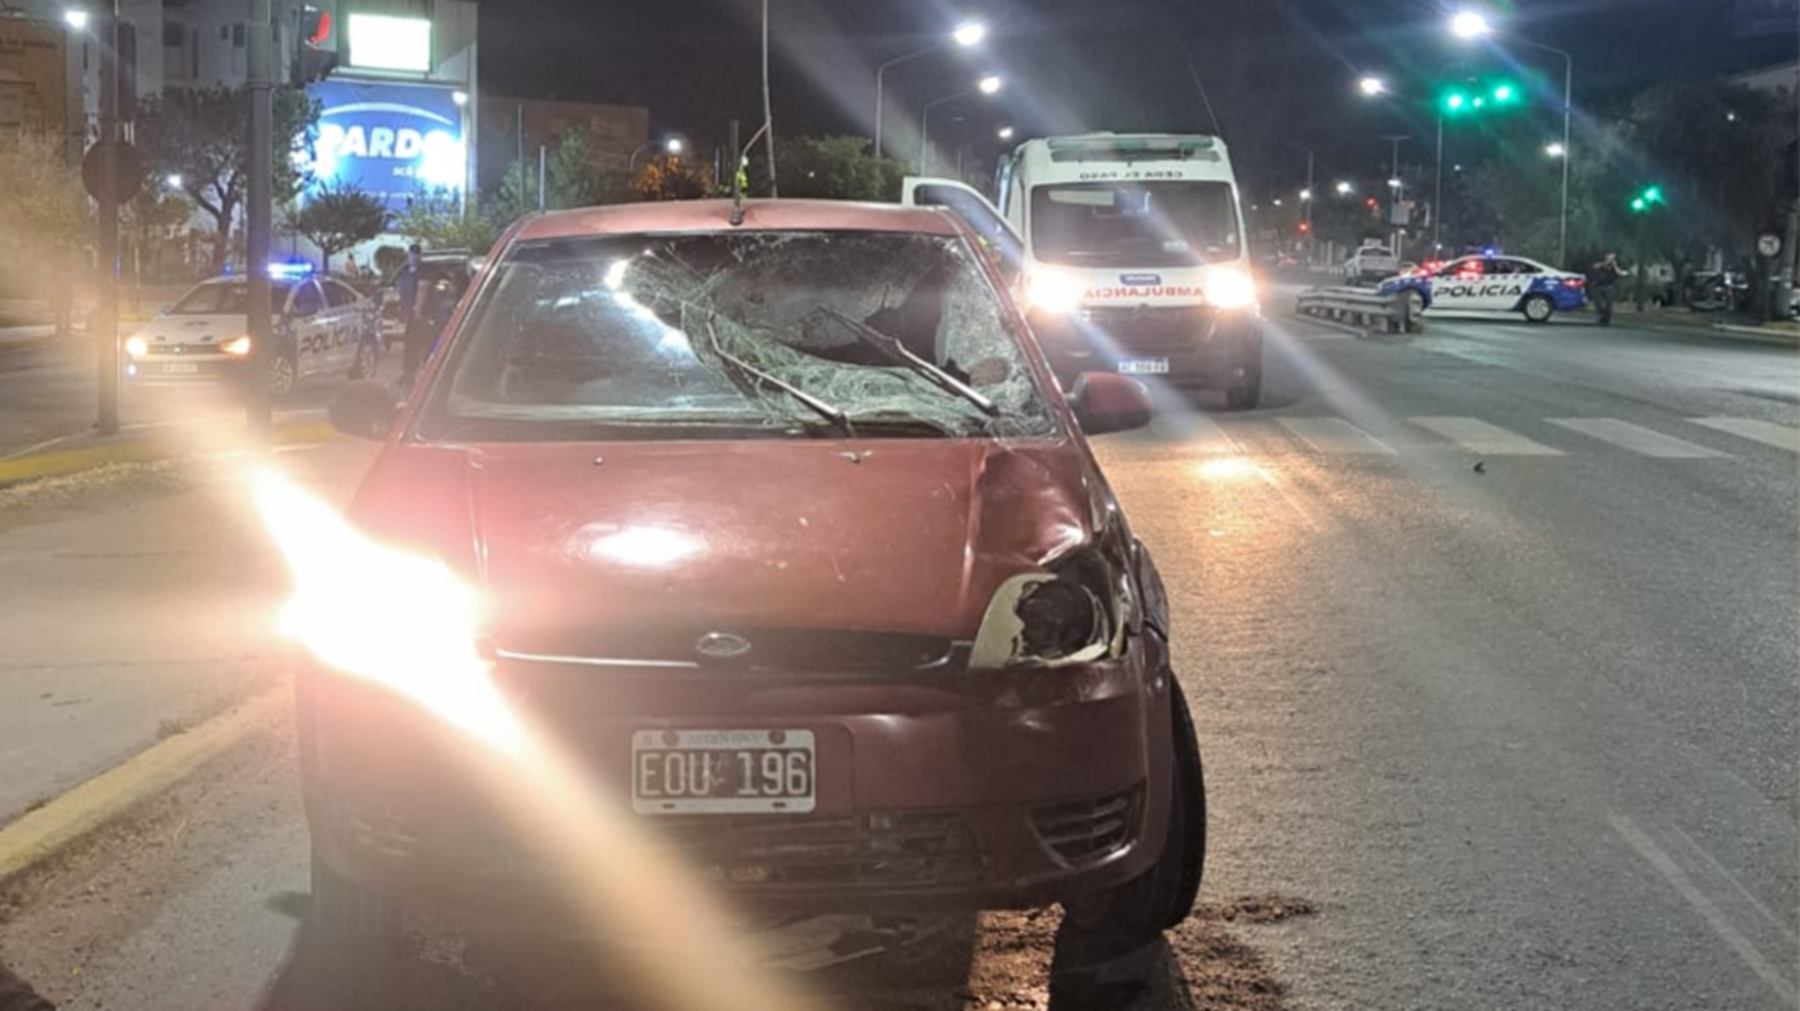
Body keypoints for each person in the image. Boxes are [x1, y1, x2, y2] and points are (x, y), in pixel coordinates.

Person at [396, 243, 430, 389]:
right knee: (410, 346)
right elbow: (399, 289)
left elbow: (423, 289)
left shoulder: (424, 271)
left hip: (421, 316)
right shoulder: (404, 270)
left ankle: (425, 375)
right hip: (408, 314)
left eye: (416, 254)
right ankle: (408, 375)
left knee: (422, 346)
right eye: (411, 254)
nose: (414, 257)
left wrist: (418, 309)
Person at [1588, 252, 1627, 326]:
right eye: (1610, 256)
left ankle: (1606, 320)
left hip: (1609, 286)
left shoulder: (1614, 265)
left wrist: (1614, 265)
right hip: (1598, 286)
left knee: (1608, 305)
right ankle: (1601, 316)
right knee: (1598, 303)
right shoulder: (1600, 260)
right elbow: (1595, 266)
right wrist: (1606, 263)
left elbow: (1620, 273)